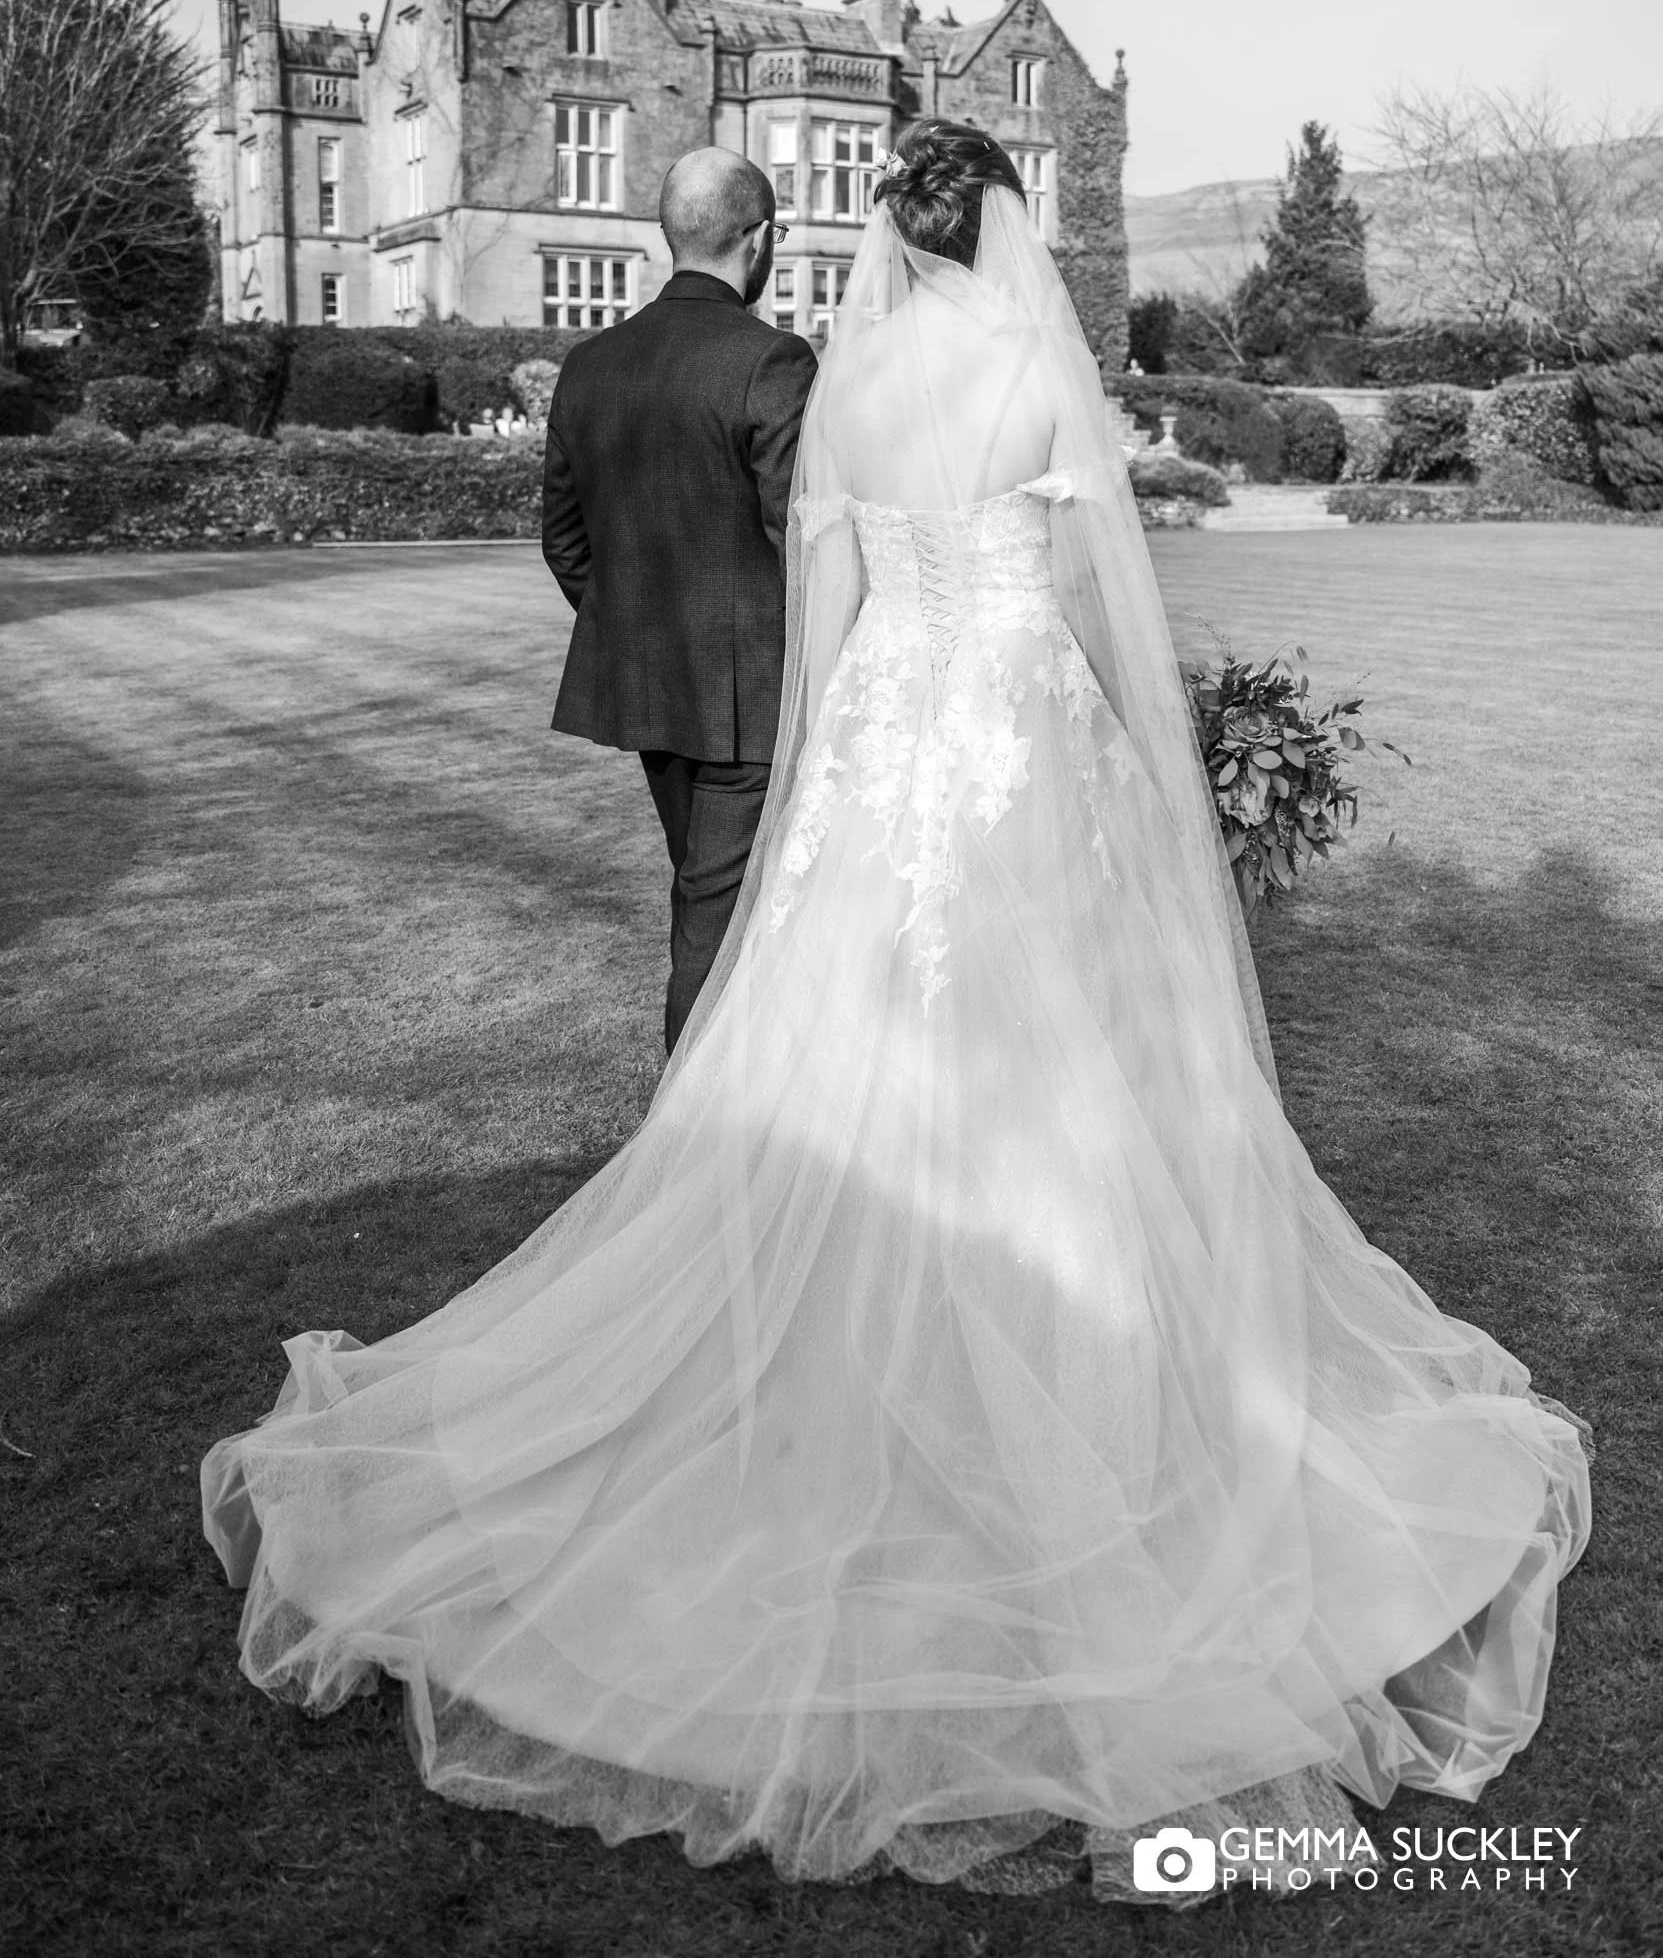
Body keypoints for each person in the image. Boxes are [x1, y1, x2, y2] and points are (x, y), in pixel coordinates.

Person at [202, 121, 1590, 1910]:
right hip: (1024, 759)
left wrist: (824, 807)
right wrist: (1182, 776)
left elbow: (836, 622)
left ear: (882, 242)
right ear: (1003, 237)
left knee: (854, 1067)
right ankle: (1091, 1435)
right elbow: (1094, 615)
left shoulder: (847, 391)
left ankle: (820, 1401)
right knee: (1075, 1089)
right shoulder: (1032, 376)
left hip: (878, 760)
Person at [541, 148, 817, 1050]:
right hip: (750, 697)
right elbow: (799, 540)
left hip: (647, 687)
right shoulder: (772, 358)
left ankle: (750, 1096)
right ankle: (692, 1138)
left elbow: (565, 541)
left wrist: (640, 626)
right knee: (715, 914)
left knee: (707, 893)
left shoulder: (589, 364)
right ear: (761, 237)